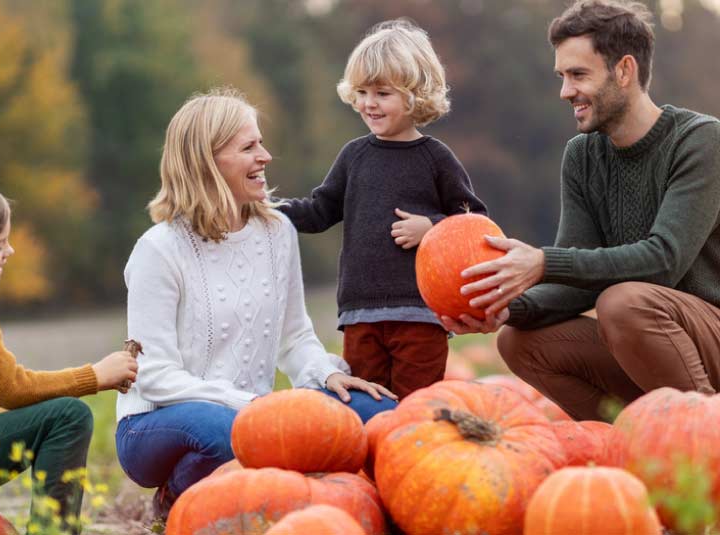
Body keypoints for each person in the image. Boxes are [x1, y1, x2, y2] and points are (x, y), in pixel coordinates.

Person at [115, 88, 398, 525]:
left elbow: (295, 337)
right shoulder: (159, 250)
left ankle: (369, 514)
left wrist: (328, 376)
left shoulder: (277, 231)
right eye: (248, 147)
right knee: (228, 434)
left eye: (260, 143)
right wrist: (248, 406)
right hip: (156, 423)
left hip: (253, 411)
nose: (265, 156)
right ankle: (178, 501)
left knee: (378, 415)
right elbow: (154, 377)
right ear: (207, 161)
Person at [440, 0, 720, 422]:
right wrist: (504, 310)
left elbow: (664, 260)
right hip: (653, 343)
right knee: (518, 341)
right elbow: (576, 283)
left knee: (623, 303)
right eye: (562, 76)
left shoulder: (700, 141)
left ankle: (706, 436)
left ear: (624, 71)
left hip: (707, 333)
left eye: (578, 75)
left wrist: (542, 261)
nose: (565, 91)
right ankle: (631, 444)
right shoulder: (582, 156)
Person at [277, 19, 487, 399]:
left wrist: (432, 228)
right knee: (366, 408)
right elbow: (319, 210)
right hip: (360, 315)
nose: (368, 103)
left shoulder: (435, 158)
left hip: (420, 315)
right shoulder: (354, 156)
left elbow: (474, 223)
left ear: (415, 96)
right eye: (361, 92)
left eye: (382, 93)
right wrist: (273, 212)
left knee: (411, 409)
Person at [0, 174, 138, 534]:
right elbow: (13, 389)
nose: (10, 252)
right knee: (67, 417)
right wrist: (95, 376)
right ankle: (52, 530)